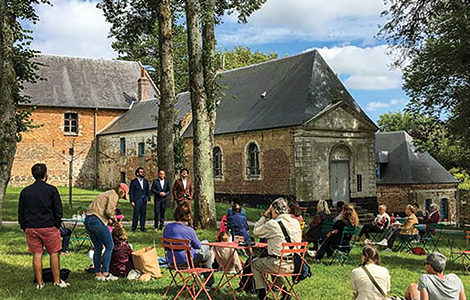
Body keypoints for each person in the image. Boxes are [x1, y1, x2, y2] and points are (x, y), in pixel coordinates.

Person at [18, 163, 70, 289]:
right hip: (49, 226)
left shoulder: (25, 192)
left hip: (31, 227)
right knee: (54, 253)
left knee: (37, 254)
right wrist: (57, 224)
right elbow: (58, 209)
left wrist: (24, 226)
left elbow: (21, 211)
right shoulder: (52, 190)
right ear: (46, 174)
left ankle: (39, 283)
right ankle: (57, 281)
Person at [252, 198, 302, 300]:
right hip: (295, 265)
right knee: (273, 262)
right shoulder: (296, 222)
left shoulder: (273, 224)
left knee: (255, 264)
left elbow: (256, 231)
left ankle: (262, 295)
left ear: (274, 211)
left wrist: (265, 215)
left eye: (272, 212)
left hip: (279, 265)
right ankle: (285, 294)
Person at [85, 183, 129, 281]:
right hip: (97, 220)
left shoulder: (106, 193)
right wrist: (116, 221)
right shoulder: (114, 195)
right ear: (122, 191)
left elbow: (102, 212)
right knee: (109, 246)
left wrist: (110, 221)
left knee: (98, 247)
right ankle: (106, 273)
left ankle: (98, 274)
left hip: (88, 219)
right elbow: (109, 211)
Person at [163, 203, 214, 287]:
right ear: (188, 215)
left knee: (205, 247)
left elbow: (165, 245)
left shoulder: (168, 227)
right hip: (188, 261)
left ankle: (207, 278)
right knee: (207, 248)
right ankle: (209, 280)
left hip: (172, 260)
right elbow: (198, 246)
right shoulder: (189, 230)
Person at [129, 167, 151, 232]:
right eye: (140, 172)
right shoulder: (134, 182)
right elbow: (131, 192)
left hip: (144, 200)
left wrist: (149, 199)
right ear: (137, 173)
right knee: (136, 214)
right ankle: (134, 227)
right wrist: (132, 201)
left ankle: (142, 227)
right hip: (136, 200)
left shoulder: (145, 181)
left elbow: (148, 191)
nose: (142, 173)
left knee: (143, 214)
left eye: (142, 172)